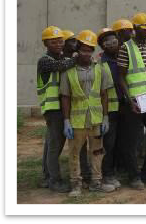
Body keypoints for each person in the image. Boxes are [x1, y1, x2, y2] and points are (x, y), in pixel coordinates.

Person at [59, 30, 115, 197]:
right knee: (74, 153)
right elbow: (65, 97)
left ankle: (96, 182)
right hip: (77, 121)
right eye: (83, 50)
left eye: (89, 50)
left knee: (97, 151)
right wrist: (66, 121)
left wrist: (106, 117)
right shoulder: (68, 71)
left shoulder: (100, 69)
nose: (86, 53)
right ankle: (76, 184)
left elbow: (104, 94)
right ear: (78, 50)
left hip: (96, 120)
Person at [116, 13, 146, 189]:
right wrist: (129, 100)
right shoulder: (125, 48)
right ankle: (134, 176)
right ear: (135, 29)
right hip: (134, 101)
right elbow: (120, 77)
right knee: (133, 140)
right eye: (143, 29)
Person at [37, 26, 77, 193]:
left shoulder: (61, 57)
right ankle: (54, 181)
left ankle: (47, 177)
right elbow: (61, 66)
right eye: (53, 42)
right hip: (53, 109)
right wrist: (77, 58)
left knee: (50, 144)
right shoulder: (45, 60)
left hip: (59, 108)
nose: (58, 45)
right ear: (46, 44)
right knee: (55, 146)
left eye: (60, 41)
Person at [97, 28, 124, 189]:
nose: (113, 45)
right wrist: (105, 115)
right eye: (108, 43)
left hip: (125, 107)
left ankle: (118, 170)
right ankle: (107, 174)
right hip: (110, 110)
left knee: (122, 142)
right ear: (102, 46)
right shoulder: (100, 64)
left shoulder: (123, 59)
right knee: (109, 144)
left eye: (115, 41)